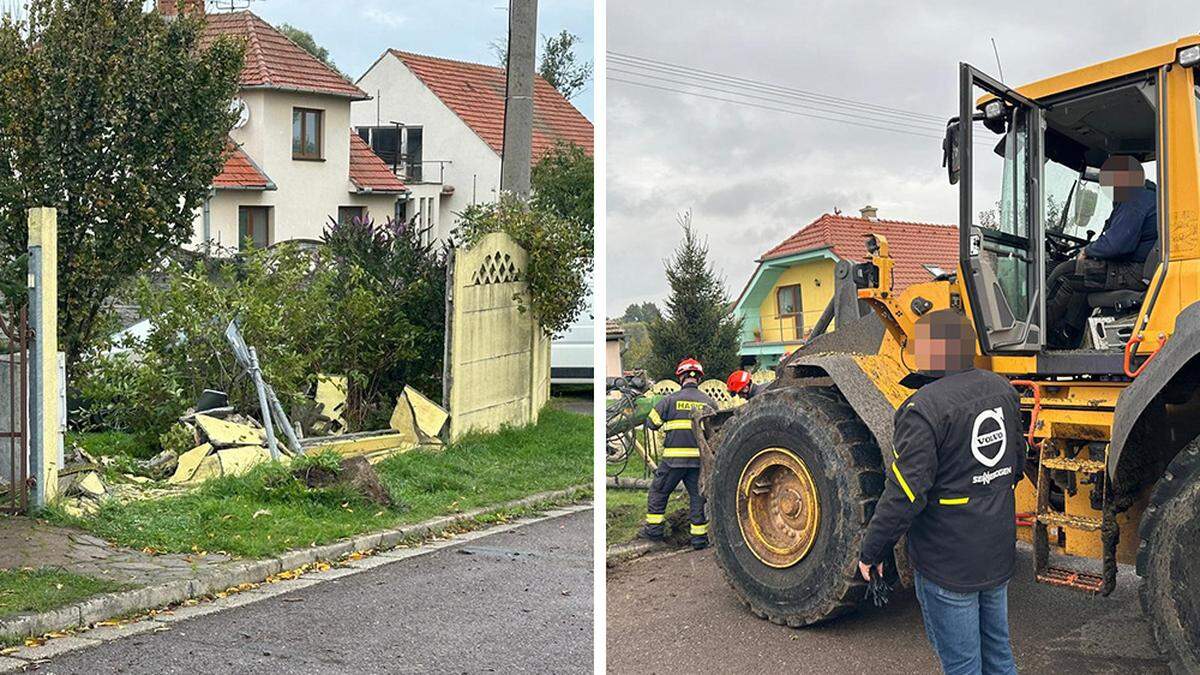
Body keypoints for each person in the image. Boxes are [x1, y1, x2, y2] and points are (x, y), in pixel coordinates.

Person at [859, 310, 1025, 675]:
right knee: (999, 656)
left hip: (948, 561)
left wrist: (873, 549)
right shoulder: (1002, 389)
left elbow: (905, 492)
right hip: (996, 551)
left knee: (962, 665)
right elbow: (1017, 463)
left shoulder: (922, 408)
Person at [1046, 155, 1158, 348]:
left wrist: (1088, 251)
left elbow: (1117, 244)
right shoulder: (1148, 194)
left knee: (1064, 273)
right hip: (1140, 268)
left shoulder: (1135, 197)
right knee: (1085, 277)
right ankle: (1068, 335)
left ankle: (1038, 332)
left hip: (1135, 271)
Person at [641, 357, 717, 549]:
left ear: (681, 377)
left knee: (659, 492)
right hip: (699, 463)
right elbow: (715, 434)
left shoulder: (669, 400)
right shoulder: (710, 403)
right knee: (697, 498)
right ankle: (699, 539)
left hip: (673, 461)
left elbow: (651, 423)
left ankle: (654, 532)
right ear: (698, 379)